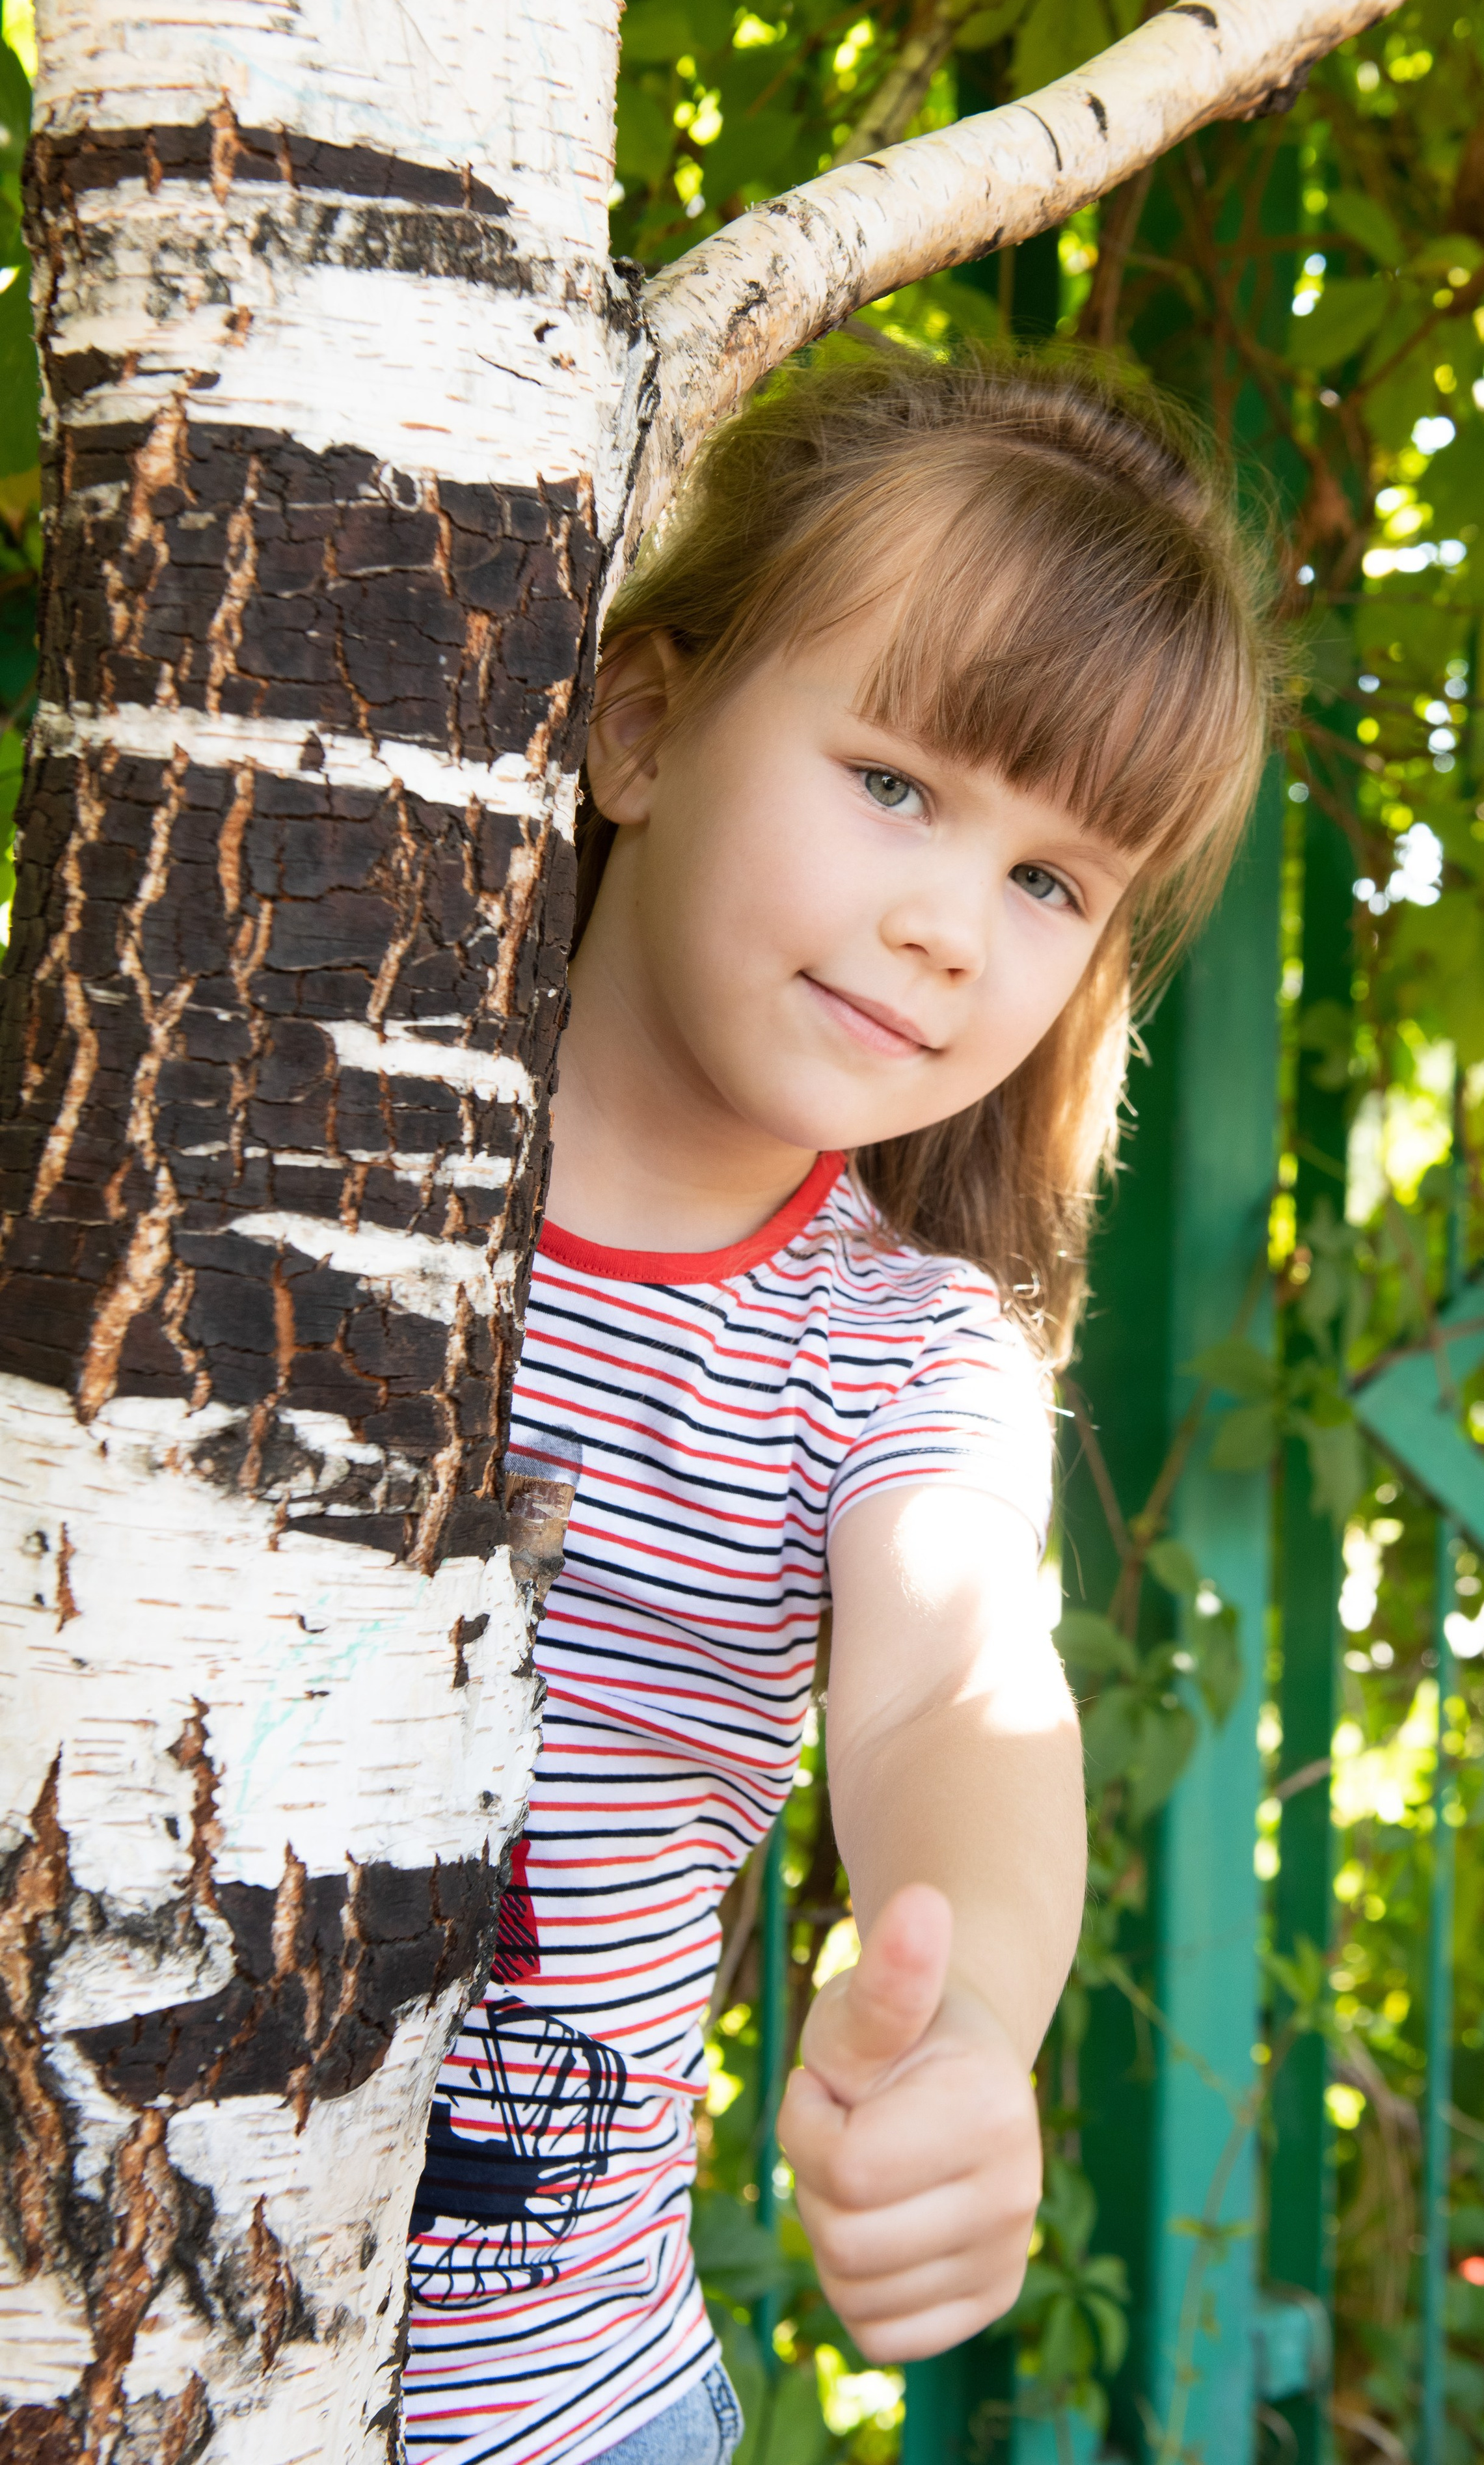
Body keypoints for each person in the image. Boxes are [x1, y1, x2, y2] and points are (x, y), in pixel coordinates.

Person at [403, 349, 1276, 2465]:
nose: (946, 926)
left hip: (550, 2417)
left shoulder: (896, 1358)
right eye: (898, 783)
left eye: (1054, 882)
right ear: (644, 719)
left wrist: (969, 2015)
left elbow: (945, 1705)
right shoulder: (284, 1163)